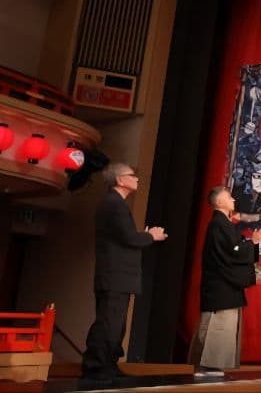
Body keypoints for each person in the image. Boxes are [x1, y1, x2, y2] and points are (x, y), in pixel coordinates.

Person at [82, 163, 167, 381]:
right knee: (109, 323)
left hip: (117, 276)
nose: (137, 179)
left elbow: (124, 237)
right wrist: (151, 236)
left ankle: (108, 365)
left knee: (115, 324)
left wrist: (143, 236)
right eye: (132, 175)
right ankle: (97, 367)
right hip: (115, 275)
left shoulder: (115, 204)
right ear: (120, 180)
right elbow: (128, 238)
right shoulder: (114, 204)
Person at [190, 186, 261, 377]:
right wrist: (252, 242)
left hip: (225, 285)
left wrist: (252, 242)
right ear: (219, 202)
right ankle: (208, 366)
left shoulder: (223, 224)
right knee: (217, 326)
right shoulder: (218, 225)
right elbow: (230, 252)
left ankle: (210, 366)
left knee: (222, 327)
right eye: (229, 197)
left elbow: (234, 248)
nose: (233, 200)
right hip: (221, 286)